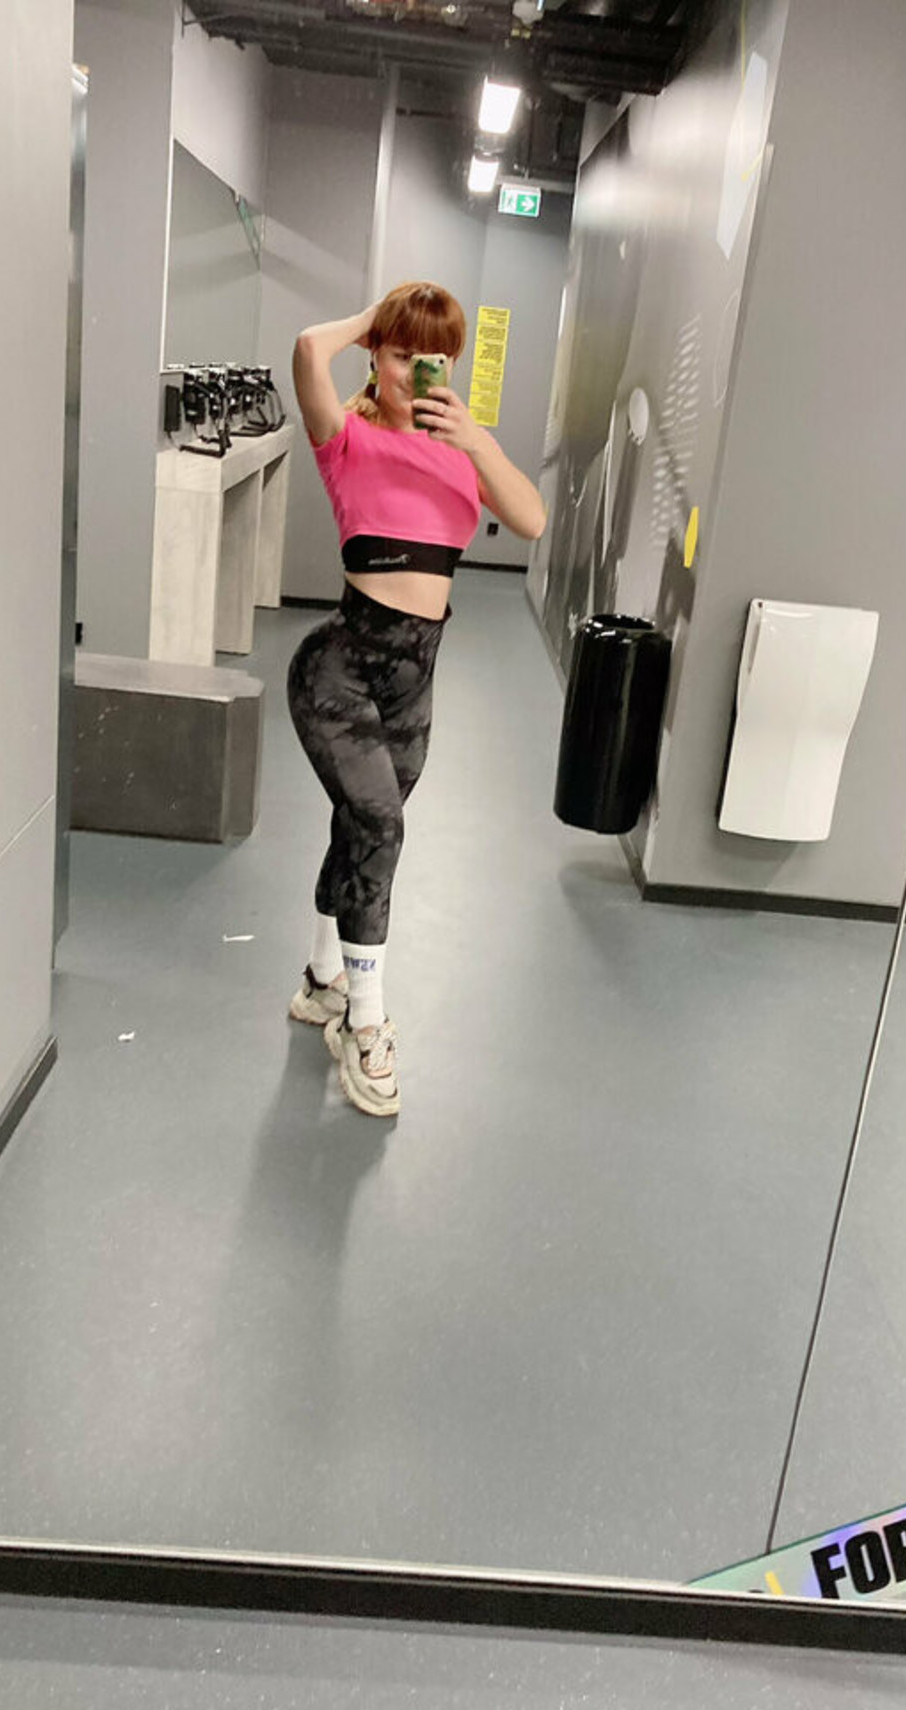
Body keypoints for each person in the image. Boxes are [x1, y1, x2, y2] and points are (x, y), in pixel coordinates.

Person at [286, 281, 546, 1117]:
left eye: (435, 357)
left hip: (413, 687)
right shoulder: (346, 437)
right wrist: (372, 322)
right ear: (378, 354)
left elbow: (532, 519)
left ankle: (322, 978)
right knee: (381, 826)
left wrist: (476, 439)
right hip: (338, 671)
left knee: (359, 826)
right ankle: (365, 1023)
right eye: (403, 354)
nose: (418, 371)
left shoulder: (459, 451)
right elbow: (307, 350)